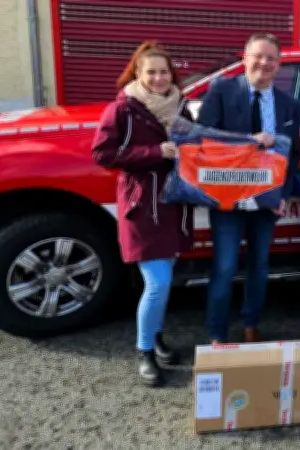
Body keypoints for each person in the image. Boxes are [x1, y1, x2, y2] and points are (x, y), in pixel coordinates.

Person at [91, 41, 194, 386]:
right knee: (158, 283)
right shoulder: (122, 108)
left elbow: (193, 145)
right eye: (151, 71)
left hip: (174, 205)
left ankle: (158, 338)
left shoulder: (181, 106)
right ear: (138, 74)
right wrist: (155, 152)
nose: (158, 77)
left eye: (164, 71)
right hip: (142, 208)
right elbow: (103, 153)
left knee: (165, 282)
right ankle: (145, 351)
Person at [197, 33, 300, 344]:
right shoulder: (221, 90)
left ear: (279, 64)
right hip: (228, 198)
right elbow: (204, 138)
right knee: (225, 266)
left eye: (271, 58)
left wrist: (282, 196)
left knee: (259, 267)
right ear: (244, 57)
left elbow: (292, 154)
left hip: (266, 201)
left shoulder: (289, 105)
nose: (264, 63)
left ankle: (250, 323)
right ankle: (217, 332)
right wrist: (249, 142)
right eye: (258, 55)